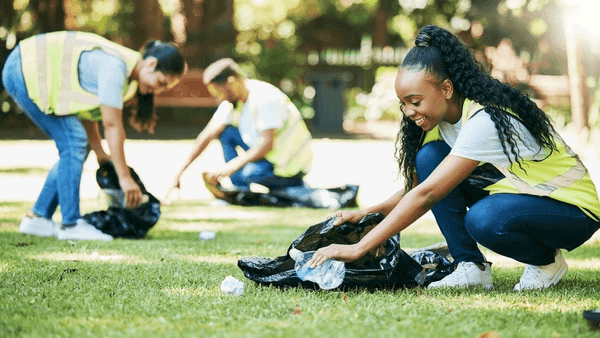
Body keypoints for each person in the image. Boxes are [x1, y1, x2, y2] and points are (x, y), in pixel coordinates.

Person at [307, 25, 600, 291]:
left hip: (573, 211)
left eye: (415, 101)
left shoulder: (485, 119)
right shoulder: (444, 124)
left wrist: (359, 247)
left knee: (483, 219)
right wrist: (368, 213)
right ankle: (471, 265)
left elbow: (428, 194)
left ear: (446, 89)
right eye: (404, 104)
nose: (408, 112)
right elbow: (418, 189)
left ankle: (545, 261)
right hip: (527, 199)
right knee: (429, 157)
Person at [2, 31, 186, 241]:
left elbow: (87, 113)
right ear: (151, 64)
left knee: (77, 143)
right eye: (161, 82)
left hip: (25, 67)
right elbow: (112, 125)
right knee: (74, 142)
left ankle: (38, 218)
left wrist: (101, 154)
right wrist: (125, 179)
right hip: (25, 67)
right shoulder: (116, 68)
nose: (159, 90)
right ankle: (71, 225)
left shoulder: (126, 78)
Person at [164, 58, 313, 204]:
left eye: (219, 92)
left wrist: (231, 167)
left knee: (250, 173)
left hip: (289, 167)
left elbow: (267, 143)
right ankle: (240, 190)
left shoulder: (264, 97)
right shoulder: (234, 103)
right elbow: (207, 135)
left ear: (231, 82)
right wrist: (178, 174)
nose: (219, 98)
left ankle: (294, 186)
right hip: (272, 157)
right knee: (227, 133)